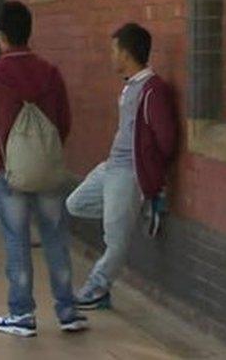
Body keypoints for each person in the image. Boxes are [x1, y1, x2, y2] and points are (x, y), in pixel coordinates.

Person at [0, 1, 88, 337]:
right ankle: (68, 311)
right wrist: (46, 153)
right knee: (56, 238)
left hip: (8, 171)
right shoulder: (50, 72)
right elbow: (64, 121)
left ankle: (22, 313)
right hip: (48, 169)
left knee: (16, 241)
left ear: (0, 36)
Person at [67, 23, 178, 310]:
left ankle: (97, 288)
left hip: (129, 172)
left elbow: (167, 140)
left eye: (114, 51)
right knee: (75, 204)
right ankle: (132, 210)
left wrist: (148, 171)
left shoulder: (153, 90)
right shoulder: (130, 86)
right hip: (110, 167)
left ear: (126, 54)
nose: (111, 56)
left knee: (115, 241)